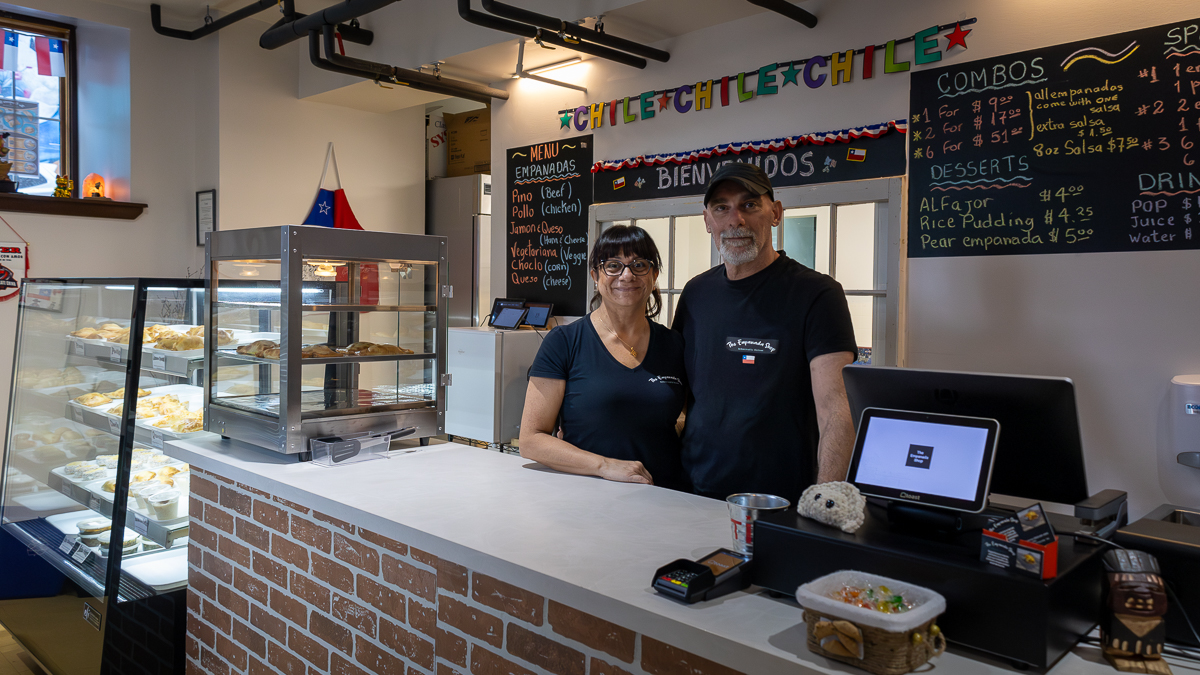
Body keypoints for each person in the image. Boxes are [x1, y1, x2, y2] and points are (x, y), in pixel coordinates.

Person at [672, 162, 858, 503]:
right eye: (721, 208)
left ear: (775, 213)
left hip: (781, 500)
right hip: (694, 490)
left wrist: (826, 496)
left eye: (749, 205)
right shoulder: (695, 294)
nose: (735, 220)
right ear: (707, 220)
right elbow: (680, 394)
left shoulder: (817, 294)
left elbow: (835, 410)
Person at [519, 225, 690, 491]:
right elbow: (531, 440)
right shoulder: (564, 342)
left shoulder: (674, 343)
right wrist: (605, 465)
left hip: (666, 495)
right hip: (590, 496)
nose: (627, 275)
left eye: (639, 265)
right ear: (595, 276)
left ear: (654, 275)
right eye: (613, 265)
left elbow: (685, 415)